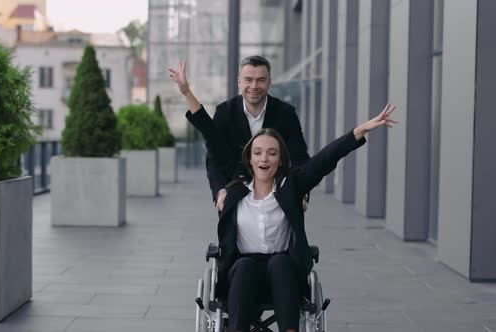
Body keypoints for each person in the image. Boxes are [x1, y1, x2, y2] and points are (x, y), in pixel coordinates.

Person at [169, 61, 397, 332]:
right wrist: (186, 91)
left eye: (272, 153)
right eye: (258, 153)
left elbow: (325, 158)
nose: (264, 158)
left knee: (279, 263)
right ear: (248, 159)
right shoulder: (236, 187)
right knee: (243, 266)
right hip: (242, 270)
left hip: (284, 270)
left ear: (280, 159)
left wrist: (360, 131)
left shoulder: (290, 186)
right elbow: (212, 138)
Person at [204, 55, 310, 212]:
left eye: (260, 80)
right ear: (240, 82)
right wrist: (220, 192)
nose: (254, 86)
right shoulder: (224, 113)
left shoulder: (286, 113)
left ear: (269, 82)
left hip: (278, 197)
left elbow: (299, 157)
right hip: (235, 195)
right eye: (248, 79)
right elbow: (214, 158)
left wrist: (301, 193)